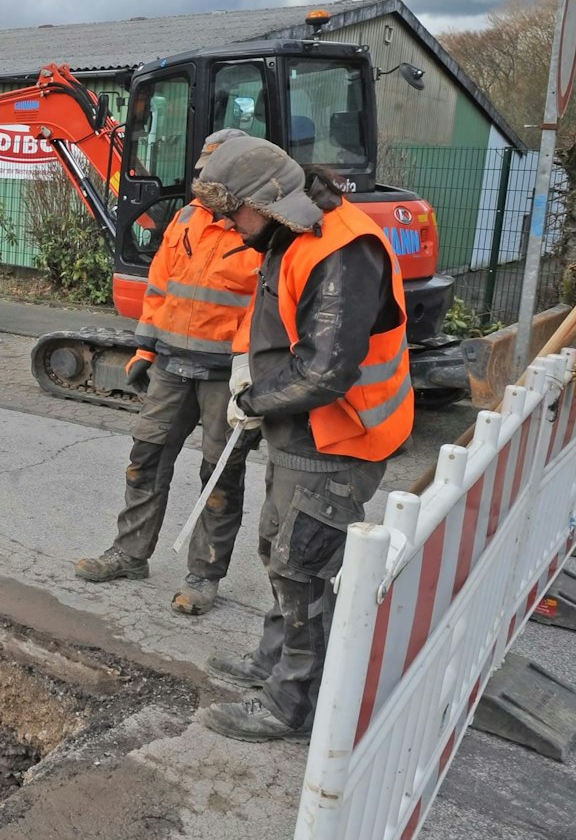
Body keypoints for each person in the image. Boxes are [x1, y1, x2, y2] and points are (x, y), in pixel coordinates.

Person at [190, 136, 414, 743]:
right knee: (280, 549)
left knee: (303, 565)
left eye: (234, 211)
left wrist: (252, 400)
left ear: (268, 199)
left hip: (339, 435)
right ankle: (273, 662)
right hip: (304, 428)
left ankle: (294, 702)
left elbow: (323, 371)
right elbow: (275, 322)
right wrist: (250, 369)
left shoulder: (340, 250)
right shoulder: (286, 234)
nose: (231, 226)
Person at [75, 129, 261, 616]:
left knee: (220, 477)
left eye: (212, 172)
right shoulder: (185, 221)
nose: (202, 180)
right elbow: (160, 289)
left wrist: (247, 371)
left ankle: (204, 575)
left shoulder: (258, 231)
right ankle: (130, 554)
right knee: (146, 460)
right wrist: (145, 350)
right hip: (172, 368)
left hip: (225, 375)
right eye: (201, 171)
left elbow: (262, 308)